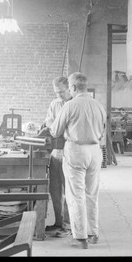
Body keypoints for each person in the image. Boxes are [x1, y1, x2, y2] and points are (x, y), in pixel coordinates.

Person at [50, 72, 106, 249]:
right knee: (92, 194)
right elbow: (103, 131)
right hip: (95, 151)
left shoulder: (70, 105)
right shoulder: (99, 106)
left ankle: (80, 238)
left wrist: (53, 124)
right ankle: (93, 234)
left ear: (73, 87)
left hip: (76, 150)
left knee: (76, 195)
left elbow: (55, 131)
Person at [42, 76, 72, 237]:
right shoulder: (54, 104)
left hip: (69, 150)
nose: (59, 94)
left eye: (61, 91)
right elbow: (48, 122)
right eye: (56, 92)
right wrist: (53, 126)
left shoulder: (73, 104)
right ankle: (58, 223)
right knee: (55, 188)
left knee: (69, 189)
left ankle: (68, 225)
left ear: (69, 88)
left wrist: (57, 127)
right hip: (55, 150)